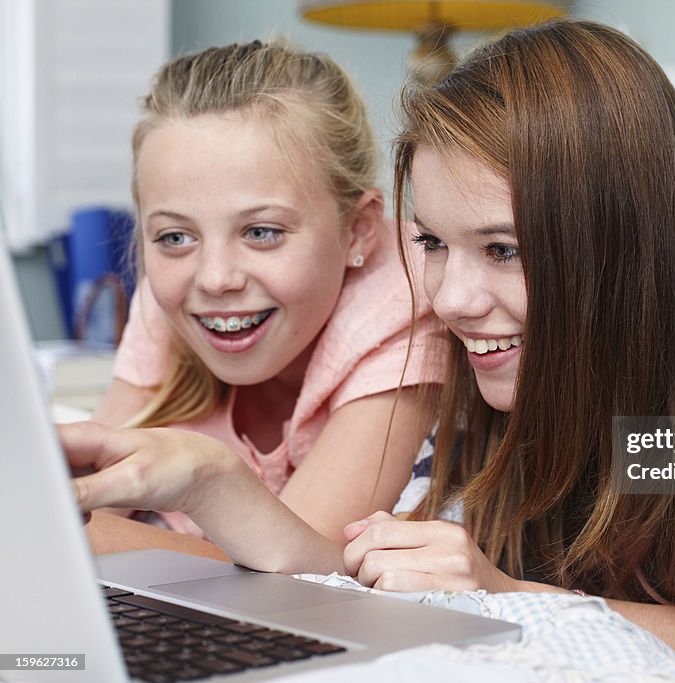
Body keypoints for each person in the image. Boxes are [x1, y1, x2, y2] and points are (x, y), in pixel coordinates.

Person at [62, 19, 675, 668]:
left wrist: (509, 590)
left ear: (620, 240)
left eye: (504, 249)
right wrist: (215, 481)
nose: (450, 302)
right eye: (430, 241)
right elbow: (372, 573)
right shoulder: (509, 362)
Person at [85, 40, 445, 559]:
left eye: (261, 232)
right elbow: (86, 489)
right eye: (174, 236)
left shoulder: (409, 298)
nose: (214, 278)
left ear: (359, 230)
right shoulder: (174, 293)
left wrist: (63, 534)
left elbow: (300, 564)